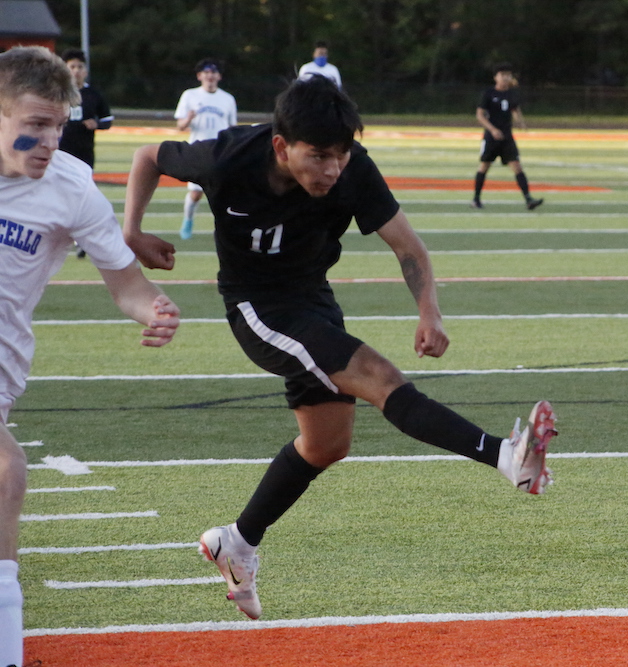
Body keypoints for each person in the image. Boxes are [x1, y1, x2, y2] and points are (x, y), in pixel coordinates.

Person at [122, 75, 556, 621]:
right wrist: (132, 231)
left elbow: (407, 245)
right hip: (258, 307)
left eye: (342, 154)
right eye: (320, 155)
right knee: (379, 376)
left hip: (313, 300)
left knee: (327, 444)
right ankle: (505, 456)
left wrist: (429, 311)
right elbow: (145, 156)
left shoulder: (354, 169)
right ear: (282, 146)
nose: (332, 168)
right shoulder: (229, 156)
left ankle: (235, 541)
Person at [0, 46, 180, 667]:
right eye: (34, 124)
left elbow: (126, 286)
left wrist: (152, 309)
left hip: (2, 369)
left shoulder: (71, 185)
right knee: (5, 471)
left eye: (58, 124)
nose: (49, 139)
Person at [59, 49, 115, 260]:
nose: (75, 71)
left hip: (83, 154)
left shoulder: (93, 95)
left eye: (79, 67)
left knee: (82, 197)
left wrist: (97, 123)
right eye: (71, 67)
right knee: (59, 195)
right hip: (57, 153)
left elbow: (108, 119)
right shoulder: (56, 92)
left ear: (86, 70)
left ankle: (80, 239)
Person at [174, 58, 237, 240]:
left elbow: (232, 127)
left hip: (220, 150)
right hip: (198, 149)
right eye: (206, 72)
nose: (210, 76)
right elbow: (180, 126)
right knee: (195, 193)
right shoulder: (190, 95)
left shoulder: (227, 99)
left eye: (213, 72)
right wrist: (189, 118)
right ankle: (188, 219)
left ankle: (225, 229)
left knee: (223, 194)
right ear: (199, 76)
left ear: (219, 76)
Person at [471, 63, 543, 210]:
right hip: (491, 137)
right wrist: (492, 129)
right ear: (496, 77)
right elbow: (480, 115)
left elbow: (515, 110)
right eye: (502, 75)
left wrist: (521, 123)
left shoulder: (511, 93)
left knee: (517, 166)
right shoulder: (489, 93)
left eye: (508, 75)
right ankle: (476, 199)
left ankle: (528, 199)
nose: (505, 78)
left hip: (507, 137)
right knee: (484, 166)